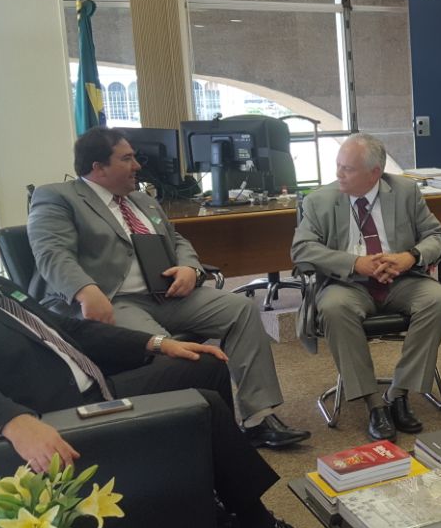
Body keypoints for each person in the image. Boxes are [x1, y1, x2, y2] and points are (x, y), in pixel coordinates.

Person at [0, 189, 323, 528]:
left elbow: (70, 330)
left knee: (204, 364)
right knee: (205, 404)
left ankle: (211, 491)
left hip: (96, 387)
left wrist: (157, 344)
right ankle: (257, 521)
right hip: (69, 417)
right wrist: (15, 422)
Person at [28, 127, 308, 449]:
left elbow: (176, 240)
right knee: (172, 350)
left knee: (241, 309)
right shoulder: (58, 198)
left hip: (168, 294)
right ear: (98, 167)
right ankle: (195, 432)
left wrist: (190, 268)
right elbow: (51, 253)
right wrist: (84, 289)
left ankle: (258, 418)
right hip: (113, 300)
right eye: (127, 158)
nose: (137, 166)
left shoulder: (142, 200)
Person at [291, 133, 441, 441]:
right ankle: (374, 404)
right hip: (347, 284)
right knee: (334, 308)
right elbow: (301, 250)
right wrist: (354, 263)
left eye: (348, 169)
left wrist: (410, 256)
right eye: (338, 166)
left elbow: (436, 236)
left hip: (401, 280)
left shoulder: (405, 191)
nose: (339, 173)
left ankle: (398, 393)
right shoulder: (319, 200)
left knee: (438, 300)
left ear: (374, 173)